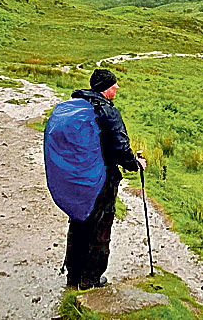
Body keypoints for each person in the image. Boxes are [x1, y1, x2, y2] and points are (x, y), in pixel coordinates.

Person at [63, 68, 146, 289]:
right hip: (102, 179)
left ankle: (73, 276)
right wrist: (135, 164)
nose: (117, 88)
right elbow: (121, 147)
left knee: (80, 221)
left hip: (79, 177)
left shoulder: (77, 106)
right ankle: (90, 278)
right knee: (101, 225)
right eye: (113, 85)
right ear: (105, 89)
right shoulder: (108, 112)